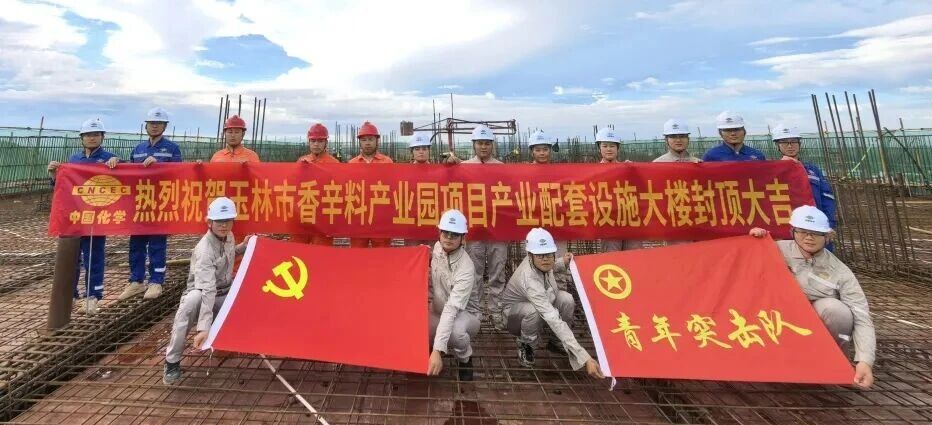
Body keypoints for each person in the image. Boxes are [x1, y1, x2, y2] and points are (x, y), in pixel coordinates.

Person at [749, 205, 875, 389]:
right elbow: (743, 264)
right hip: (774, 316)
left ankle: (834, 364)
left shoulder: (840, 271)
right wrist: (754, 241)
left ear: (828, 236)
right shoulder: (774, 249)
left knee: (837, 311)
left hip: (811, 324)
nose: (809, 237)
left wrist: (865, 361)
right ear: (793, 231)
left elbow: (861, 316)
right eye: (802, 231)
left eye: (816, 233)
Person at [163, 197, 253, 384]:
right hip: (204, 294)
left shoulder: (228, 236)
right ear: (209, 222)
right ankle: (172, 362)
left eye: (227, 220)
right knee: (190, 303)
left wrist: (243, 247)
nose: (223, 225)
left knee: (251, 292)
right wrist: (204, 328)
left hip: (225, 290)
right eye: (219, 221)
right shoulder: (204, 250)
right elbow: (207, 291)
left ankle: (237, 340)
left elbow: (228, 253)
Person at [501, 228, 604, 379]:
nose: (546, 259)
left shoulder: (540, 262)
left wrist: (564, 262)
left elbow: (551, 265)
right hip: (514, 317)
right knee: (535, 311)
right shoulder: (529, 279)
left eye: (549, 254)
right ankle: (526, 345)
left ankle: (556, 342)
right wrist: (585, 357)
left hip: (538, 305)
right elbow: (552, 318)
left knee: (567, 299)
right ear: (530, 255)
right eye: (540, 255)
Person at [47, 118, 120, 315]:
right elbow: (62, 188)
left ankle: (92, 296)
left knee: (93, 257)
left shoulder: (110, 159)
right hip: (74, 216)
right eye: (88, 135)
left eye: (96, 135)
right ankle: (70, 295)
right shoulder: (74, 159)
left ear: (102, 137)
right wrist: (54, 175)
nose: (92, 138)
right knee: (71, 257)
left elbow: (121, 184)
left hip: (96, 217)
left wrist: (117, 165)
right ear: (82, 138)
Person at [446, 125, 511, 330]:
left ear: (492, 145)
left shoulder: (502, 168)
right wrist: (450, 166)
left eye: (487, 143)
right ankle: (476, 312)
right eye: (480, 143)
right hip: (474, 229)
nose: (483, 147)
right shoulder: (464, 167)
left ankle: (496, 311)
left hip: (498, 229)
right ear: (474, 145)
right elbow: (449, 184)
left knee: (497, 272)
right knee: (473, 273)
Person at [120, 107, 183, 300]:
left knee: (157, 244)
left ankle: (156, 282)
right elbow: (129, 174)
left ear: (164, 127)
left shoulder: (172, 149)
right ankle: (136, 281)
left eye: (159, 123)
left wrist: (160, 165)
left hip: (160, 204)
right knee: (136, 244)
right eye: (151, 123)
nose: (154, 126)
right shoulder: (138, 149)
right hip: (140, 203)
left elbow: (179, 175)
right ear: (146, 126)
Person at [427, 209, 481, 381]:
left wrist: (438, 349)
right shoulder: (437, 249)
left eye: (455, 234)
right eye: (445, 232)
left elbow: (452, 309)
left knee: (456, 333)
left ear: (463, 238)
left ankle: (465, 358)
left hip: (464, 315)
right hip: (437, 309)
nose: (449, 238)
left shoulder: (466, 268)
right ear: (439, 233)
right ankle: (430, 348)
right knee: (416, 324)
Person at [772, 124, 837, 251]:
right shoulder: (773, 171)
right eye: (784, 142)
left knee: (821, 260)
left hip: (816, 226)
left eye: (793, 141)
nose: (790, 146)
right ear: (777, 146)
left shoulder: (812, 170)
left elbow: (827, 198)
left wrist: (828, 224)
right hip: (790, 229)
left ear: (799, 143)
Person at [595, 127, 642, 252]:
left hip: (630, 220)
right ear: (599, 148)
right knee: (612, 257)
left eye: (612, 146)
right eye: (605, 146)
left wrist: (634, 171)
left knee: (634, 255)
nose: (609, 149)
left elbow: (641, 188)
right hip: (608, 222)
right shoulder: (593, 171)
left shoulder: (627, 168)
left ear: (618, 148)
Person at [347, 121, 393, 248]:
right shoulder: (352, 164)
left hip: (381, 217)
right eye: (364, 140)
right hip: (358, 216)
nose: (367, 143)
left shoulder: (387, 162)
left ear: (377, 141)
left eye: (371, 139)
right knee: (357, 253)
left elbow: (394, 188)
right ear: (360, 142)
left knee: (382, 254)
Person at [293, 123, 339, 246]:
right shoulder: (301, 161)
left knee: (321, 251)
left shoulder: (334, 164)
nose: (316, 144)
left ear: (326, 143)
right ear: (309, 142)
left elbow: (339, 191)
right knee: (298, 250)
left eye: (320, 141)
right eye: (313, 141)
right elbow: (293, 186)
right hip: (303, 213)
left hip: (323, 215)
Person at [702, 111, 766, 162]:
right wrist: (697, 166)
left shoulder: (757, 155)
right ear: (720, 133)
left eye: (737, 129)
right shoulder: (711, 156)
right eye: (727, 130)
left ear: (744, 131)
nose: (733, 133)